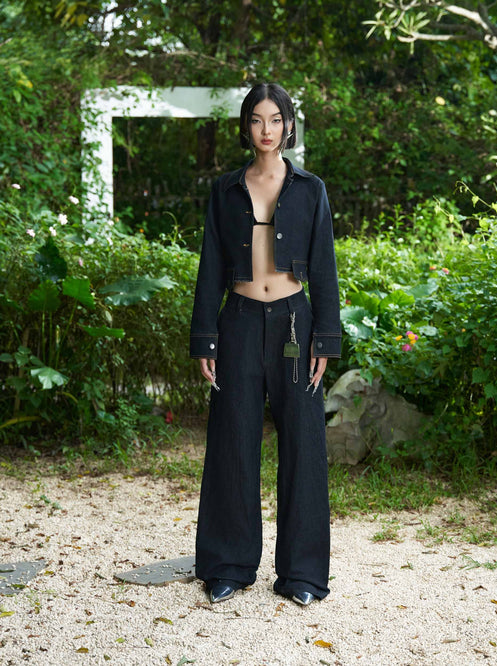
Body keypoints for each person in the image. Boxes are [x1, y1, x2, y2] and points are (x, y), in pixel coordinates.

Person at [189, 82, 341, 606]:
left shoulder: (311, 189)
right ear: (246, 126)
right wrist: (205, 338)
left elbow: (325, 268)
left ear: (289, 126)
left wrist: (326, 339)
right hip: (237, 323)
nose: (266, 129)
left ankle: (303, 575)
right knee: (232, 442)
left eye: (276, 119)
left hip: (295, 323)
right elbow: (210, 265)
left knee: (304, 447)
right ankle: (228, 566)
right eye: (257, 119)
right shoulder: (226, 189)